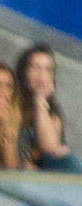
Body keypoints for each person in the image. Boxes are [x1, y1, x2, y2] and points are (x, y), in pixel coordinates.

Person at [15, 45, 81, 173]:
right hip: (14, 168)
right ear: (24, 70)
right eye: (35, 68)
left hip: (45, 171)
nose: (42, 75)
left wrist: (40, 101)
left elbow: (49, 146)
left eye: (47, 69)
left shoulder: (52, 107)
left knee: (70, 164)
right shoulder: (11, 100)